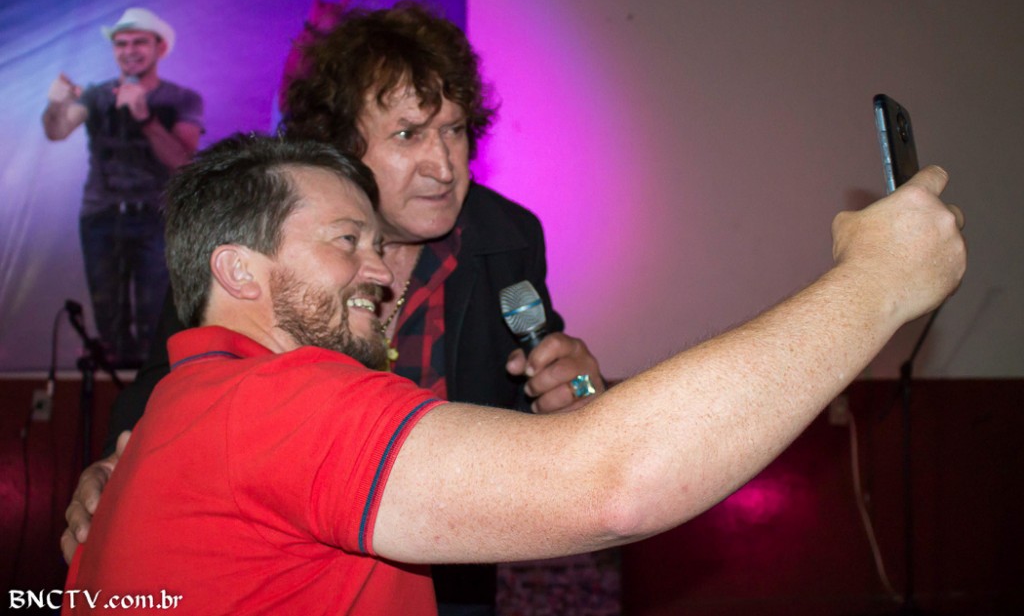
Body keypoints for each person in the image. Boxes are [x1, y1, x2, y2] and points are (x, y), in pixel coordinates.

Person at [63, 133, 966, 615]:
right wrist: (874, 285)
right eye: (347, 241)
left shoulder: (187, 403)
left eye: (378, 244)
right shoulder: (273, 399)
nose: (381, 270)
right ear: (237, 270)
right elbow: (612, 482)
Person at [61, 2, 602, 614]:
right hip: (286, 576)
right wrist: (110, 473)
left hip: (450, 577)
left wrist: (578, 391)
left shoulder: (507, 238)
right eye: (408, 134)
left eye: (455, 130)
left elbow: (540, 389)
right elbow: (170, 390)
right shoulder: (259, 244)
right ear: (340, 144)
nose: (445, 165)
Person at [42, 7, 203, 366]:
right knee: (110, 325)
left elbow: (182, 162)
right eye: (121, 43)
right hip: (101, 217)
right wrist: (54, 105)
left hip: (156, 218)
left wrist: (145, 117)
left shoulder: (181, 99)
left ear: (160, 47)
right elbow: (57, 131)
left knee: (155, 322)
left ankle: (151, 395)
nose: (129, 50)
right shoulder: (96, 96)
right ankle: (116, 397)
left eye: (139, 42)